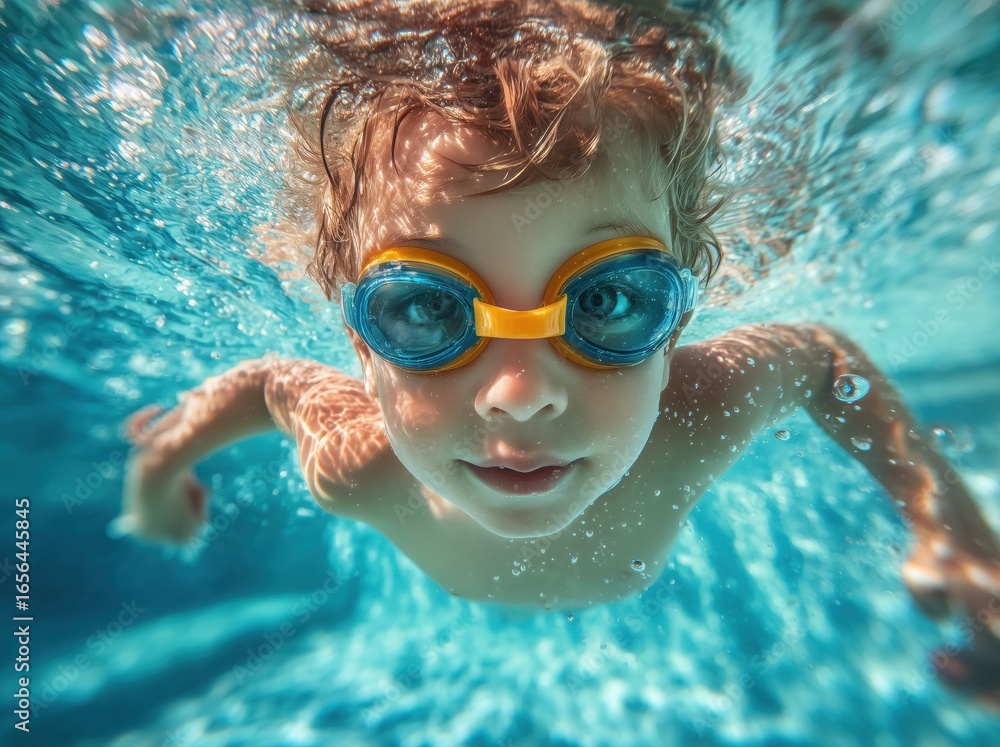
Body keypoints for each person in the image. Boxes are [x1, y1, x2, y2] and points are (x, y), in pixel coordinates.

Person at [119, 0, 1000, 705]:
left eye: (609, 300)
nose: (520, 397)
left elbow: (819, 355)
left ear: (679, 318)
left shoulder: (696, 417)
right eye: (424, 307)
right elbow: (270, 385)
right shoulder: (360, 467)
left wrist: (950, 520)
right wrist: (158, 470)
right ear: (360, 336)